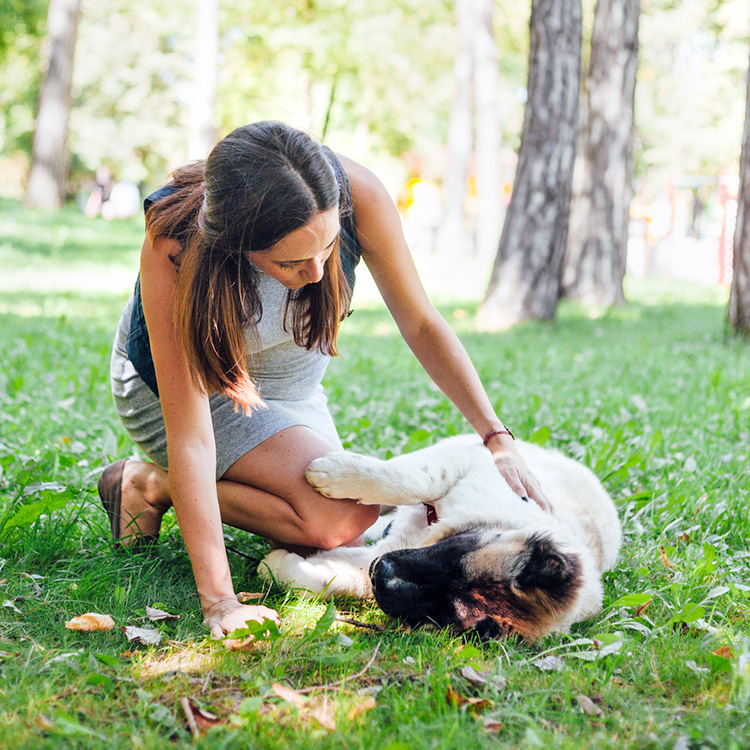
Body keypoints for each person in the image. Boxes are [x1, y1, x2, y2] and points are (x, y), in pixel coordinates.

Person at [98, 120, 550, 641]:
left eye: (328, 248)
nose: (316, 273)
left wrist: (495, 436)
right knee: (338, 516)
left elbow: (422, 323)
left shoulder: (358, 194)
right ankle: (148, 483)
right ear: (236, 245)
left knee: (331, 532)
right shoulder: (175, 245)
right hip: (190, 392)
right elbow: (192, 437)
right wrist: (220, 602)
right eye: (290, 262)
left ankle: (157, 483)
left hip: (291, 392)